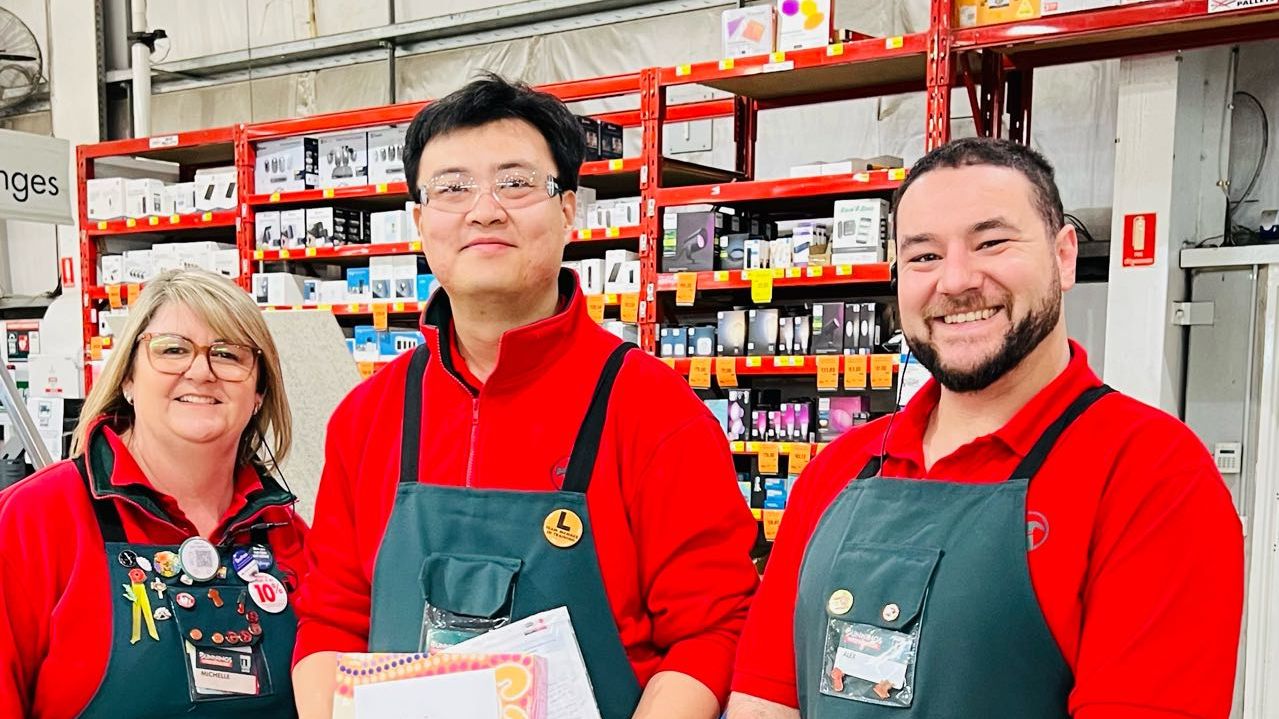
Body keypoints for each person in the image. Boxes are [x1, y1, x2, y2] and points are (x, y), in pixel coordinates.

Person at [290, 73, 759, 719]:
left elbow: (713, 629)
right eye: (452, 188)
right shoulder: (368, 418)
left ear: (569, 207)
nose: (484, 209)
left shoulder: (652, 411)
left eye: (515, 182)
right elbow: (332, 618)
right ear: (420, 220)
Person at [727, 138, 1244, 718]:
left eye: (991, 242)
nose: (955, 281)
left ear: (1064, 256)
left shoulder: (1151, 476)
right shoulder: (838, 472)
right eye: (923, 256)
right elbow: (765, 699)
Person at [0, 269, 308, 718]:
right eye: (173, 350)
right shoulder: (32, 521)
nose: (201, 372)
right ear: (127, 378)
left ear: (258, 392)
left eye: (228, 355)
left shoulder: (289, 535)